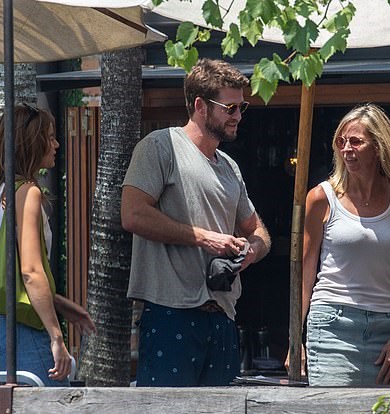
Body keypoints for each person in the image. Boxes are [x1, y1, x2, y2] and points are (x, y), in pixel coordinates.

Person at [121, 58, 271, 387]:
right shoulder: (160, 146)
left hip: (223, 315)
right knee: (165, 410)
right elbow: (132, 214)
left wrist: (249, 254)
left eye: (242, 107)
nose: (238, 116)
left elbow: (258, 231)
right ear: (200, 105)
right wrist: (206, 238)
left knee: (221, 410)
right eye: (230, 107)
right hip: (170, 311)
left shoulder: (229, 166)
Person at [289, 103, 390, 386]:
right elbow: (304, 272)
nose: (346, 149)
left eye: (355, 142)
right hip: (332, 323)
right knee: (331, 405)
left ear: (377, 146)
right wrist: (294, 338)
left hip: (385, 326)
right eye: (341, 142)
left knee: (383, 406)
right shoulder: (322, 197)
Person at [0, 103, 96, 386]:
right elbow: (30, 271)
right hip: (21, 330)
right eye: (50, 137)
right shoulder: (28, 193)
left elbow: (9, 275)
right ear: (30, 143)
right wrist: (56, 336)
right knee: (55, 403)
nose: (56, 144)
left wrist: (60, 303)